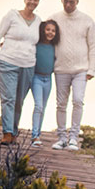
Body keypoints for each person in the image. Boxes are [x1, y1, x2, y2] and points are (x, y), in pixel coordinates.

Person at [0, 0, 42, 145]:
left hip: (28, 65)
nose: (32, 2)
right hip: (8, 61)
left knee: (19, 100)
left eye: (35, 0)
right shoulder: (12, 15)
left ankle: (14, 131)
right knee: (9, 99)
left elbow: (42, 41)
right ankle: (7, 132)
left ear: (38, 2)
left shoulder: (39, 21)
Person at [50, 0, 95, 151]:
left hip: (81, 70)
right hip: (60, 69)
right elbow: (41, 37)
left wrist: (91, 69)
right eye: (65, 1)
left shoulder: (87, 21)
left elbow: (94, 46)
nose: (68, 4)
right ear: (61, 0)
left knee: (78, 100)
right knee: (61, 104)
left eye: (71, 1)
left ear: (77, 2)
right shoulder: (54, 19)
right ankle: (62, 138)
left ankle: (73, 138)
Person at [30, 19, 59, 147]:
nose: (50, 32)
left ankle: (38, 134)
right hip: (36, 78)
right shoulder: (36, 44)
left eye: (53, 30)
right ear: (43, 30)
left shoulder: (55, 47)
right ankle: (35, 136)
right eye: (48, 30)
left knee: (43, 108)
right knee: (38, 106)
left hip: (48, 79)